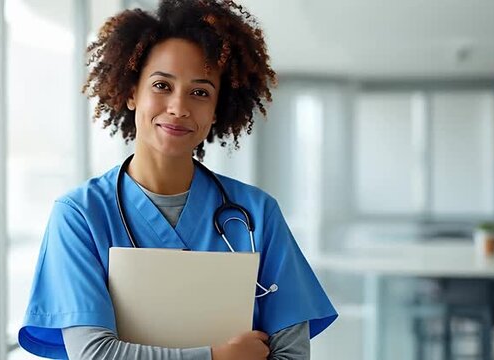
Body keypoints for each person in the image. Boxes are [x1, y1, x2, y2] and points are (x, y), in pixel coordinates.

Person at [18, 1, 337, 359]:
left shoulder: (257, 214)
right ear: (131, 92)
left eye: (200, 92)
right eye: (161, 85)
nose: (179, 107)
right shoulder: (80, 215)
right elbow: (94, 354)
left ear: (217, 109)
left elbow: (292, 354)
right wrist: (218, 357)